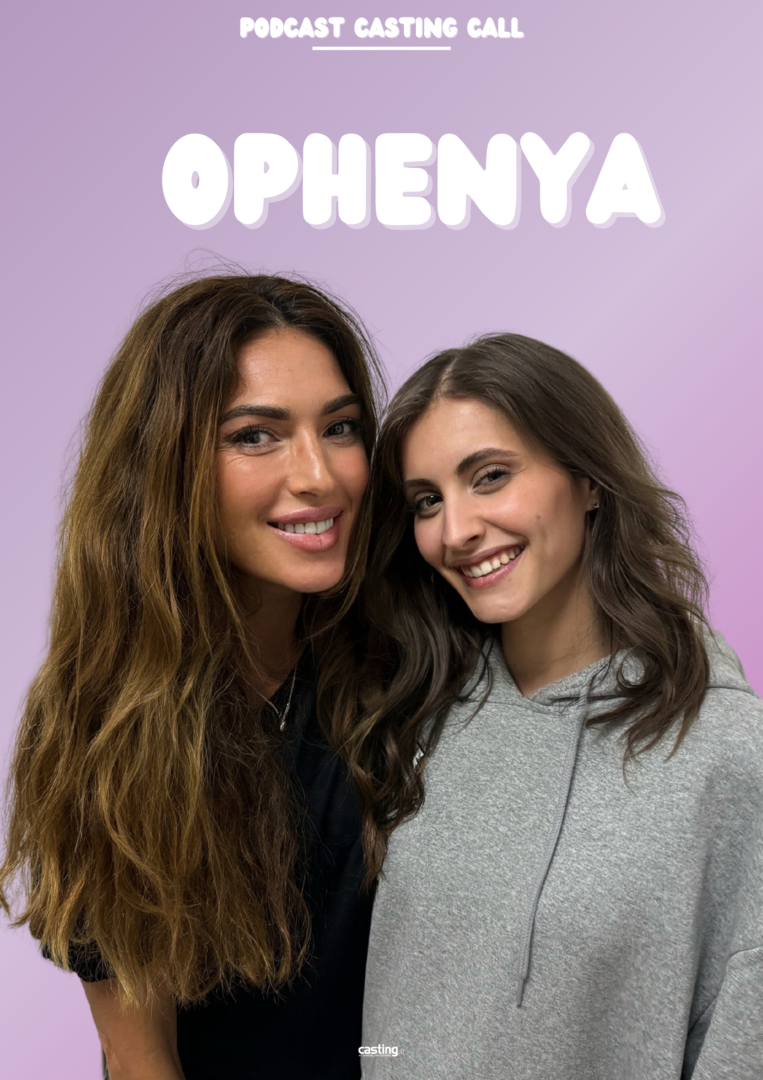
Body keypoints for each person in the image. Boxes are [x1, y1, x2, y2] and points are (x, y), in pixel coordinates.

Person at [0, 273, 385, 1080]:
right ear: (166, 464)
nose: (319, 474)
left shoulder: (409, 661)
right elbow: (140, 1057)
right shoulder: (103, 721)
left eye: (340, 427)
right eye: (255, 435)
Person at [348, 334, 762, 1079]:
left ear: (589, 479)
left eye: (491, 476)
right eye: (427, 501)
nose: (456, 531)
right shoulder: (415, 710)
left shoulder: (723, 750)